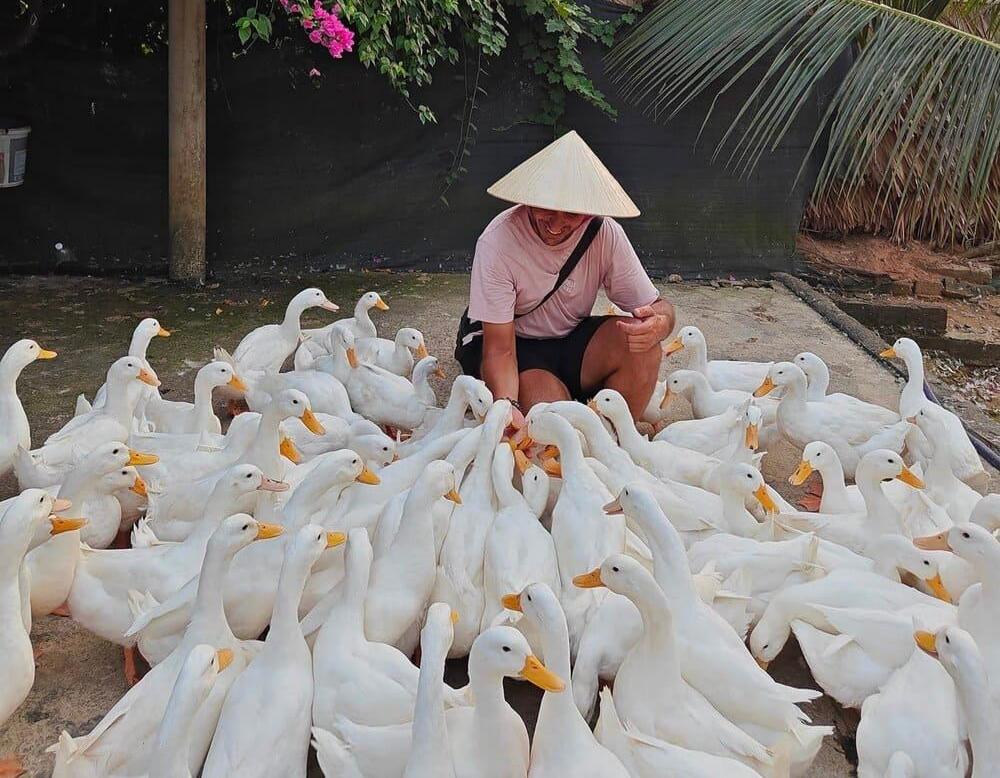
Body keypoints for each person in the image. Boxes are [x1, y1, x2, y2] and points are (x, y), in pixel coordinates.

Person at [455, 130, 674, 432]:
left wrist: (660, 323)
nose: (556, 225)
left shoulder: (603, 233)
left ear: (588, 213)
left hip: (571, 339)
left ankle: (612, 443)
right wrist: (509, 405)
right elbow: (499, 349)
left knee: (644, 344)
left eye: (571, 214)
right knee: (554, 422)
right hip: (515, 344)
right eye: (547, 209)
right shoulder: (498, 241)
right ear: (528, 201)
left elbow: (657, 307)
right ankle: (564, 429)